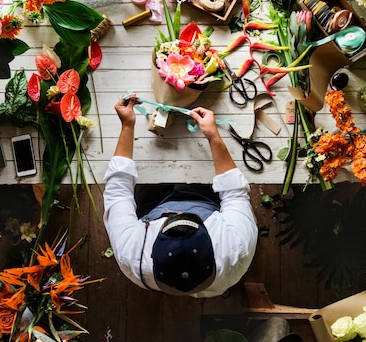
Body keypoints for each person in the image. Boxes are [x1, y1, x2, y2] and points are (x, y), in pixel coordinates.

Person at [102, 94, 258, 297]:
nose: (179, 212)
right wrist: (213, 136)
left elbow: (117, 191)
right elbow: (235, 194)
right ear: (213, 247)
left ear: (151, 253)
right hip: (208, 203)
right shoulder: (235, 249)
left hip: (154, 205)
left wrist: (127, 126)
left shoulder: (132, 255)